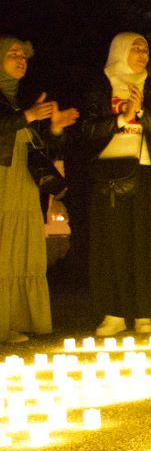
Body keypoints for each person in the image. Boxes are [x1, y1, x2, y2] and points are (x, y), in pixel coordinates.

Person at [80, 33, 151, 336]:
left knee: (145, 245)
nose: (143, 54)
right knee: (114, 246)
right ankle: (114, 313)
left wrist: (141, 112)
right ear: (119, 50)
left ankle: (145, 313)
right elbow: (88, 129)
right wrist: (123, 118)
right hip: (111, 177)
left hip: (147, 172)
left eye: (145, 49)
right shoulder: (100, 86)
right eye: (136, 48)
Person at [0, 37, 78, 343]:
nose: (21, 60)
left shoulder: (19, 100)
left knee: (21, 248)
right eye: (12, 54)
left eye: (23, 55)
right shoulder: (20, 108)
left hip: (22, 180)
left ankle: (15, 321)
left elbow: (38, 146)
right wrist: (28, 117)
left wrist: (55, 127)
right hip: (3, 179)